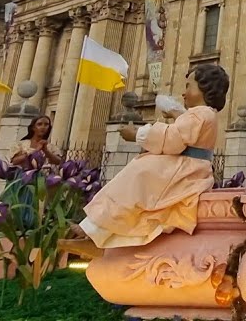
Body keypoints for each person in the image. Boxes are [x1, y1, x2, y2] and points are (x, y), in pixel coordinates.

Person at [64, 64, 230, 256]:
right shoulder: (205, 114)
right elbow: (187, 128)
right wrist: (175, 113)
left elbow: (173, 140)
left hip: (183, 171)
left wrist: (138, 134)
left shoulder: (200, 114)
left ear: (205, 89)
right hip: (190, 169)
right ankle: (95, 230)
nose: (184, 93)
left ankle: (93, 230)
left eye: (188, 86)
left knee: (136, 179)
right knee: (136, 182)